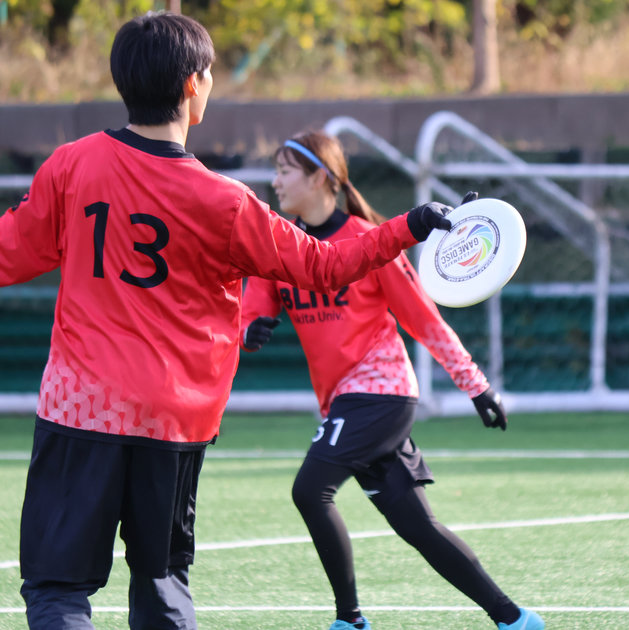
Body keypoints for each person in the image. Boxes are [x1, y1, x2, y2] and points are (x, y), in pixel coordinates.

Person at [0, 12, 453, 630]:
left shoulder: (71, 166)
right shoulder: (225, 201)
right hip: (172, 418)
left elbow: (10, 253)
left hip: (81, 407)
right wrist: (410, 224)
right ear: (193, 85)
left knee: (57, 591)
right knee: (161, 587)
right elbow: (325, 266)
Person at [239, 129, 545, 630]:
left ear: (319, 177)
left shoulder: (367, 239)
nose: (274, 182)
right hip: (345, 403)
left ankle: (350, 620)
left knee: (309, 491)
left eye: (284, 171)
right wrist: (248, 329)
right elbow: (253, 307)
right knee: (417, 525)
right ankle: (515, 619)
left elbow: (424, 320)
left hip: (380, 394)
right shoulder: (283, 244)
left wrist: (475, 385)